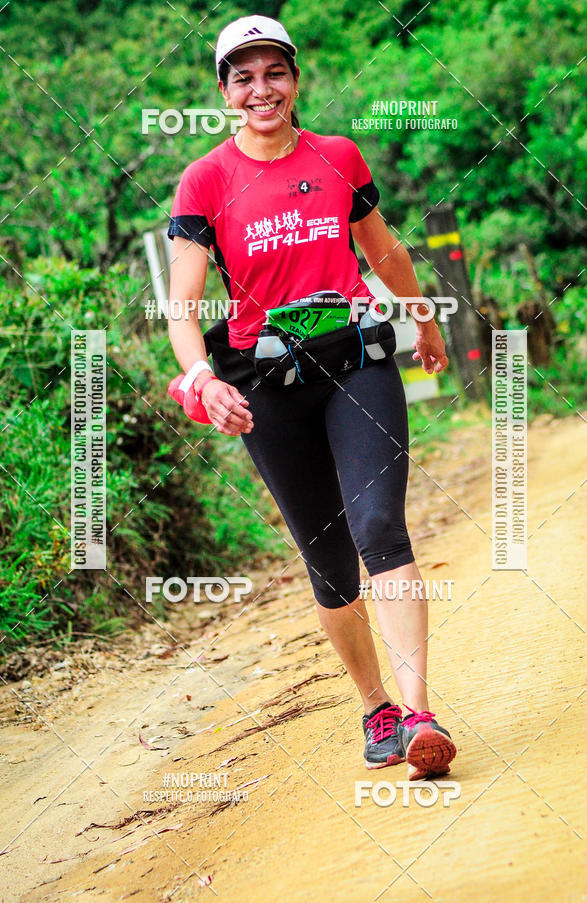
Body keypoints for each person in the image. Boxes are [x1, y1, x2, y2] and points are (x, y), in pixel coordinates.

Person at [167, 14, 456, 778]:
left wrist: (423, 318)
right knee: (329, 563)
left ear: (296, 80)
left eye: (275, 73)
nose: (261, 89)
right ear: (225, 91)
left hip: (356, 360)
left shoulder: (337, 156)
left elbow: (383, 250)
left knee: (379, 527)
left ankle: (420, 712)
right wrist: (202, 378)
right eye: (244, 77)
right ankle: (377, 707)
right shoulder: (205, 181)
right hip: (265, 384)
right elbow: (183, 305)